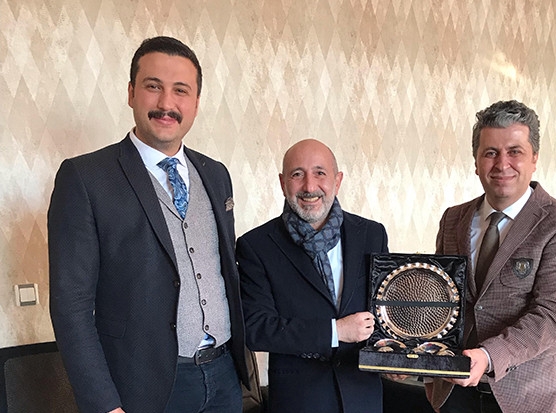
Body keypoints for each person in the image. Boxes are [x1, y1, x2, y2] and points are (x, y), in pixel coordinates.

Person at [48, 36, 248, 413]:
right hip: (142, 387)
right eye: (153, 86)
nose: (166, 104)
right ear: (131, 93)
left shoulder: (216, 174)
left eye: (181, 90)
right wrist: (104, 404)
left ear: (196, 103)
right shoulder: (86, 178)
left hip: (223, 376)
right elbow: (71, 306)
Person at [425, 100, 556, 413]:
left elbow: (552, 314)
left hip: (527, 396)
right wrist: (409, 349)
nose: (502, 164)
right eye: (490, 153)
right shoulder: (453, 219)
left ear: (534, 158)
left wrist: (488, 356)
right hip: (453, 391)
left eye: (515, 151)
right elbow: (440, 299)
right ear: (476, 162)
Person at [236, 139, 387, 413]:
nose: (309, 186)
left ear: (337, 181)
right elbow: (256, 329)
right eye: (297, 174)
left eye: (320, 173)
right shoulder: (256, 246)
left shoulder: (371, 235)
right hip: (299, 400)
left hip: (363, 396)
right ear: (282, 183)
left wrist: (395, 357)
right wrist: (335, 331)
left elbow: (384, 311)